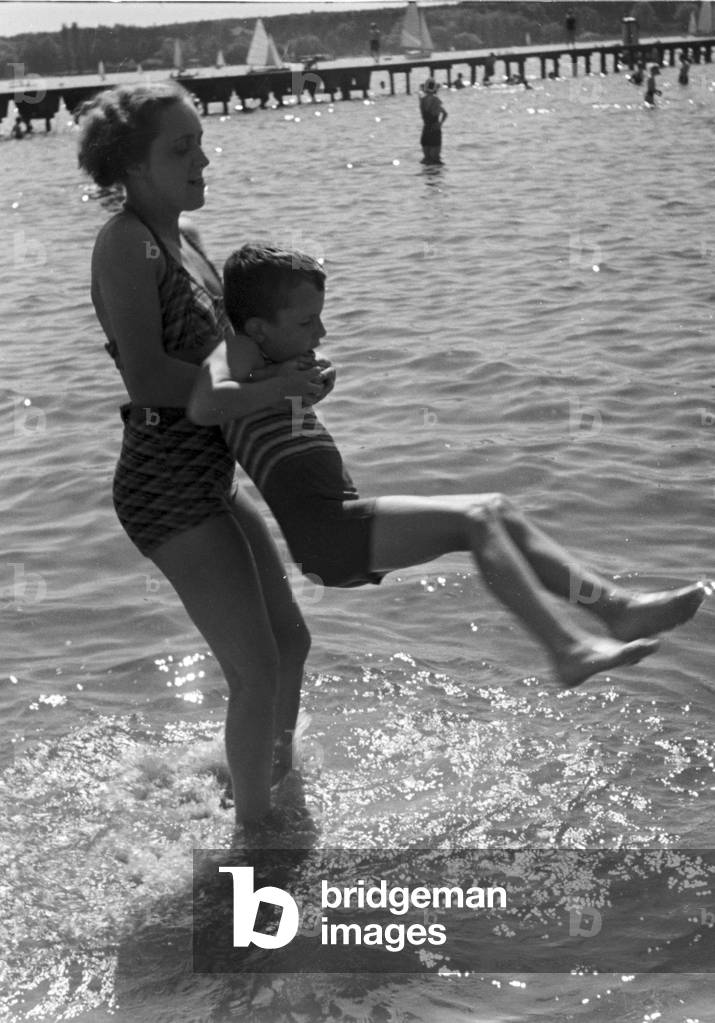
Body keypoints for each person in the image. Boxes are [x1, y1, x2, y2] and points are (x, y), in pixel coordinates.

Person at [188, 243, 707, 691]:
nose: (320, 332)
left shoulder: (267, 363)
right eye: (306, 322)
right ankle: (570, 648)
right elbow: (203, 405)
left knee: (495, 509)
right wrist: (284, 386)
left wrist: (307, 384)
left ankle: (615, 609)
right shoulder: (237, 349)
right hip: (328, 534)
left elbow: (265, 413)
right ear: (258, 328)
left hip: (341, 522)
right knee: (475, 519)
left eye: (321, 318)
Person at [78, 83, 329, 836]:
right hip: (163, 484)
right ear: (132, 165)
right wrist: (267, 387)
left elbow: (227, 365)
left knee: (291, 639)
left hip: (209, 474)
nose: (202, 157)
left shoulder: (185, 240)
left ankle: (269, 782)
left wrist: (294, 372)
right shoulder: (126, 243)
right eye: (180, 149)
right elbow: (150, 377)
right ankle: (257, 836)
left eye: (200, 142)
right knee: (253, 668)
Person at [419, 78, 447, 165]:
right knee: (436, 160)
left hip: (426, 129)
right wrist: (441, 123)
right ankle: (437, 178)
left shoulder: (422, 100)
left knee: (426, 160)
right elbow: (445, 113)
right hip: (435, 129)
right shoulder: (436, 100)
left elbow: (420, 92)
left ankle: (426, 177)